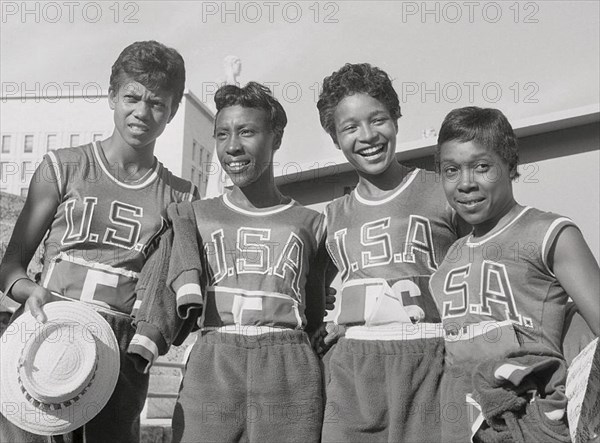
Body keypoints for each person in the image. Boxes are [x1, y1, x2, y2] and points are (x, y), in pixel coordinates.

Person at [0, 40, 198, 443]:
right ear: (112, 96)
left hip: (120, 351)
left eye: (157, 103)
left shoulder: (180, 196)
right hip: (46, 334)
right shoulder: (64, 166)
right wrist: (29, 292)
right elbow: (10, 267)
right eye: (132, 97)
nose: (142, 112)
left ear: (173, 110)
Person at [147, 82, 327, 442]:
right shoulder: (194, 216)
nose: (232, 146)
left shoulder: (311, 223)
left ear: (275, 139)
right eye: (222, 134)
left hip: (289, 368)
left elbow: (316, 315)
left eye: (247, 132)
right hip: (213, 362)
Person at [430, 106, 600, 442]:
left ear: (510, 165)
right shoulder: (448, 261)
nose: (465, 183)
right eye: (451, 170)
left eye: (481, 167)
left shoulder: (550, 233)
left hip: (532, 421)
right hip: (463, 427)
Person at [316, 63, 466, 443]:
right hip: (356, 376)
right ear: (335, 138)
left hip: (433, 363)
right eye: (350, 127)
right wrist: (332, 326)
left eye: (377, 119)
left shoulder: (444, 190)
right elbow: (312, 297)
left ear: (396, 118)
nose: (367, 136)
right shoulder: (332, 216)